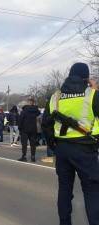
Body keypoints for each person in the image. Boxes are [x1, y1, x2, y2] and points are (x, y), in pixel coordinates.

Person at [42, 62, 99, 225]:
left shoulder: (55, 97)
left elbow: (46, 124)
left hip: (62, 149)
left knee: (65, 189)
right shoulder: (92, 95)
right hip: (85, 149)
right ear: (86, 78)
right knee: (92, 191)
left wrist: (54, 145)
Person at [18, 98, 40, 162]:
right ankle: (33, 157)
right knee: (33, 144)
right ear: (33, 103)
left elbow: (20, 120)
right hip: (33, 129)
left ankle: (24, 156)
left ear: (28, 103)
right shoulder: (37, 111)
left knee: (24, 144)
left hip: (24, 129)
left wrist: (20, 128)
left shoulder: (24, 110)